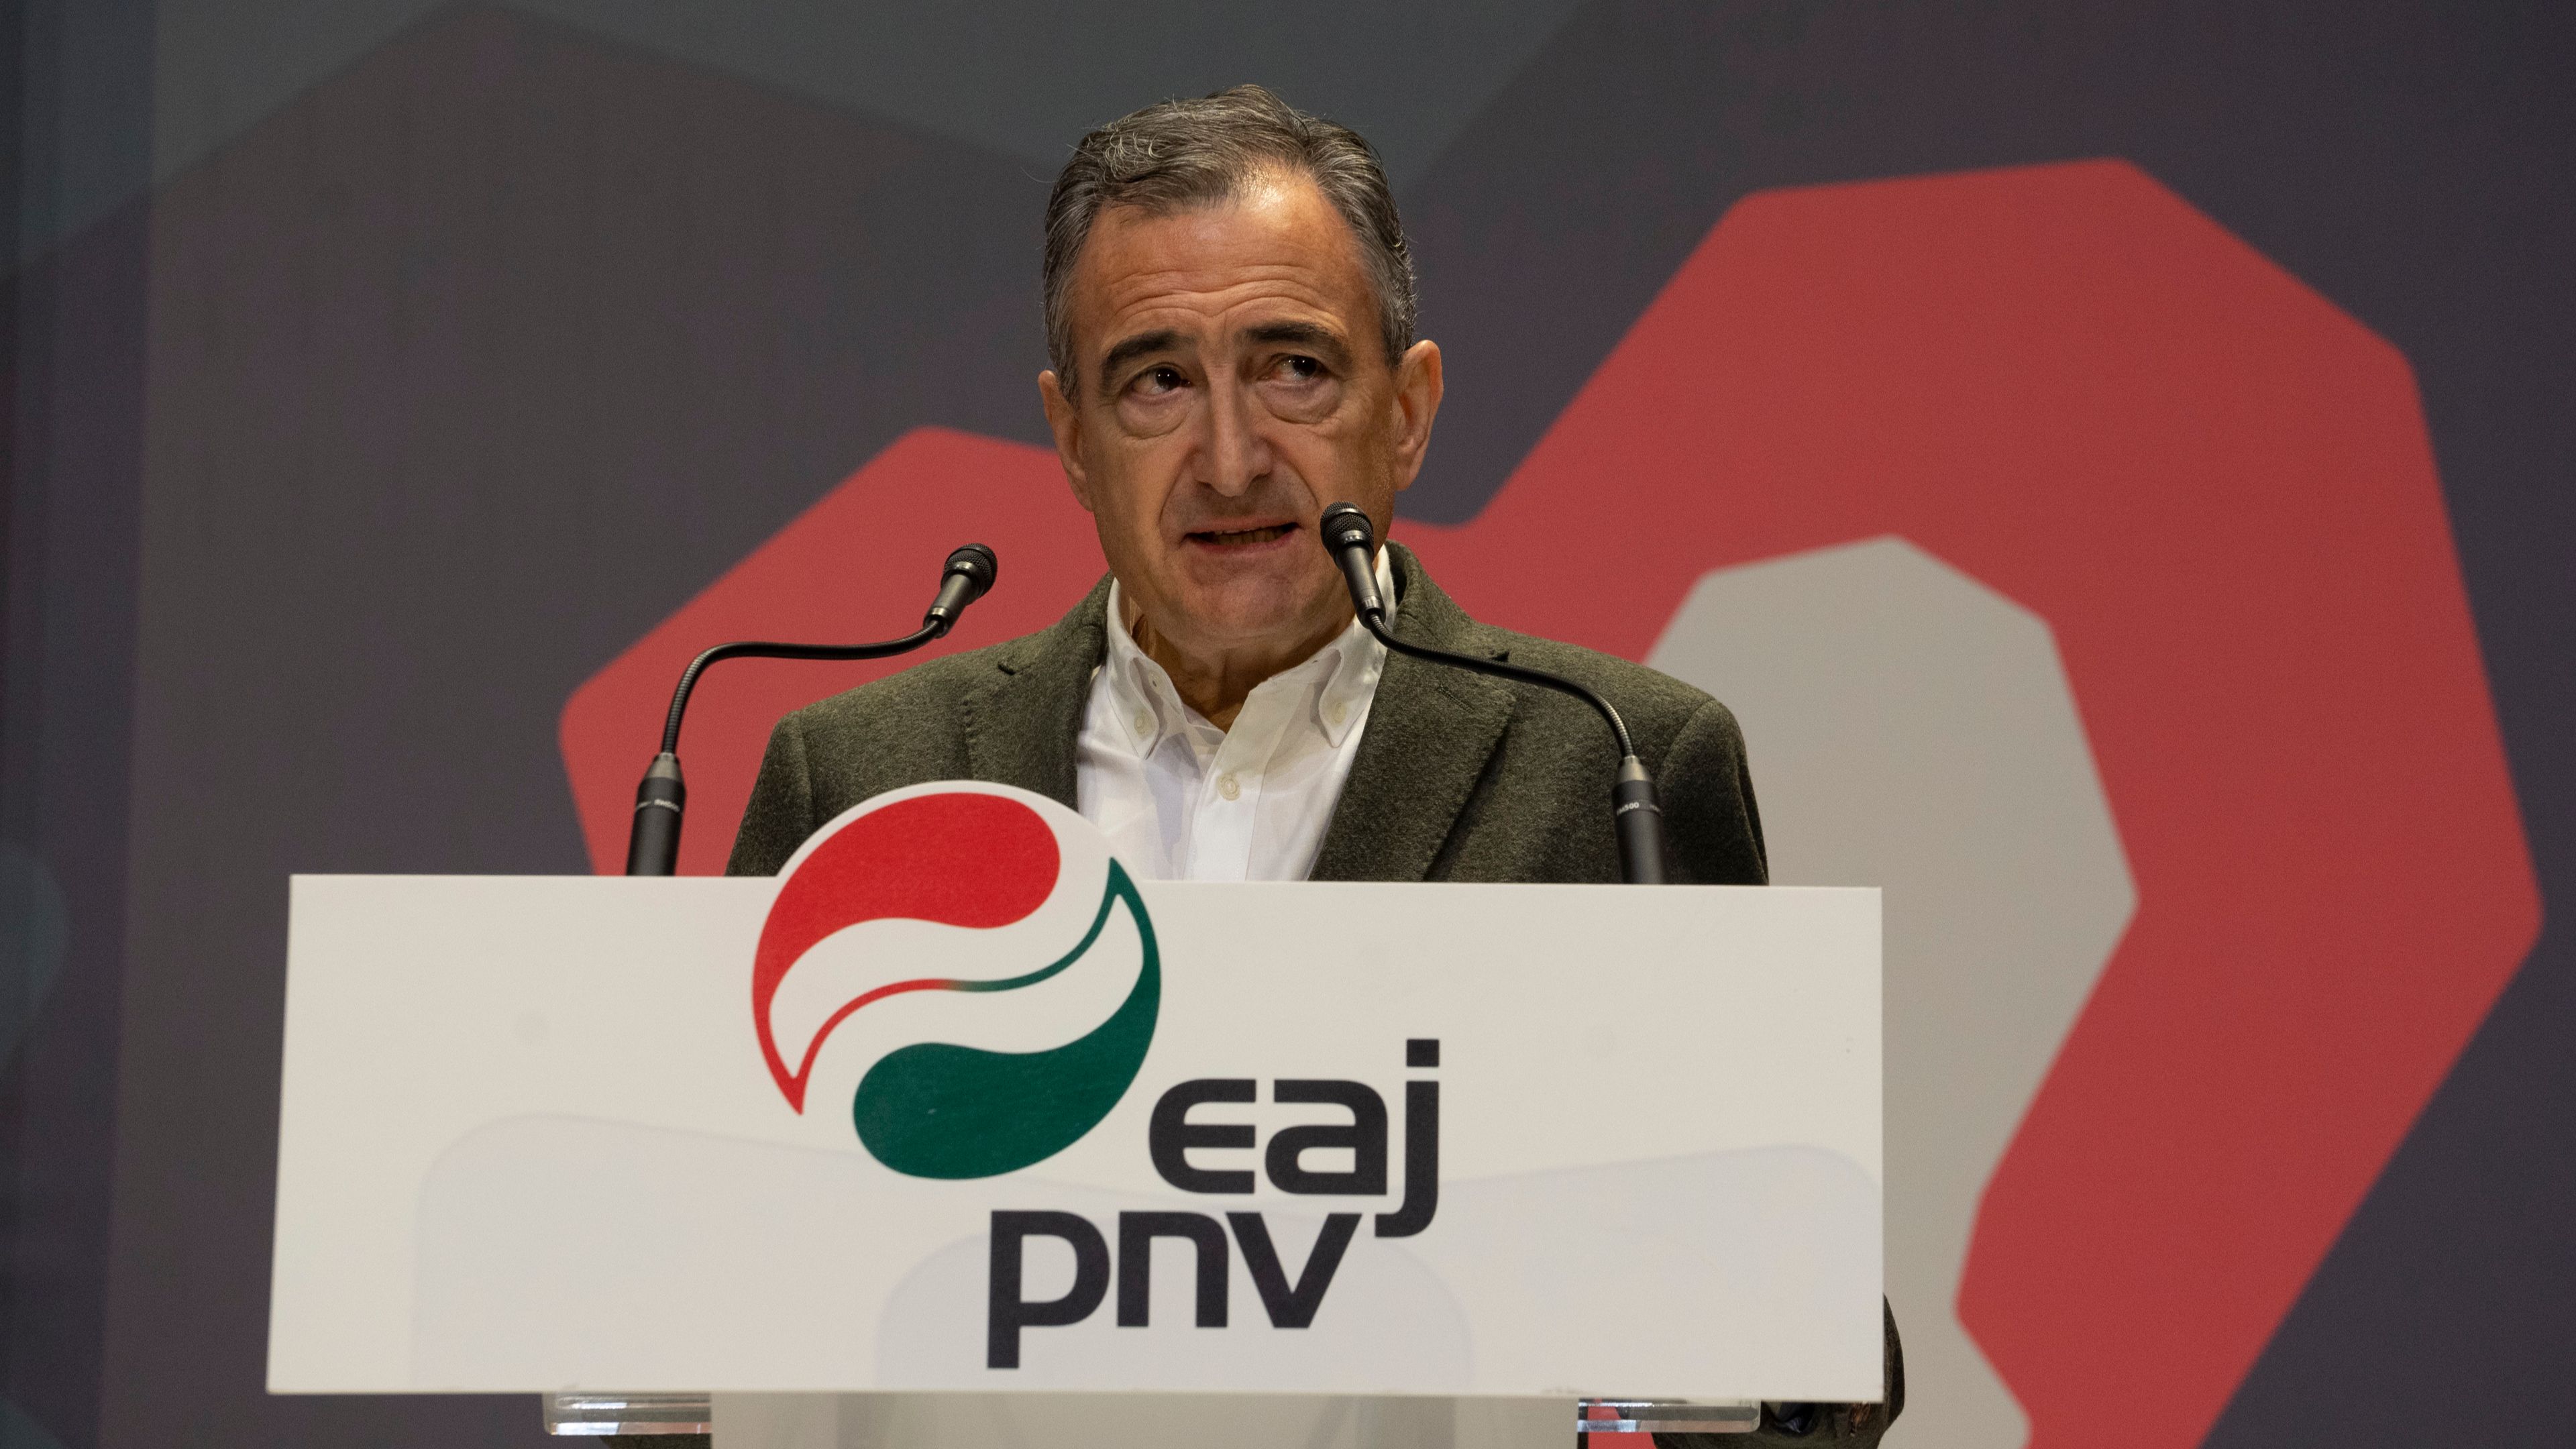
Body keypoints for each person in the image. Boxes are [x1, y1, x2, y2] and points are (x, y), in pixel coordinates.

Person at [729, 85, 1898, 1444]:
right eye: (1158, 381)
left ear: (1407, 411)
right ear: (1072, 440)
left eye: (1294, 368)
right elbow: (710, 1293)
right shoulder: (864, 781)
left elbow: (1812, 1378)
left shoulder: (1613, 762)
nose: (1231, 461)